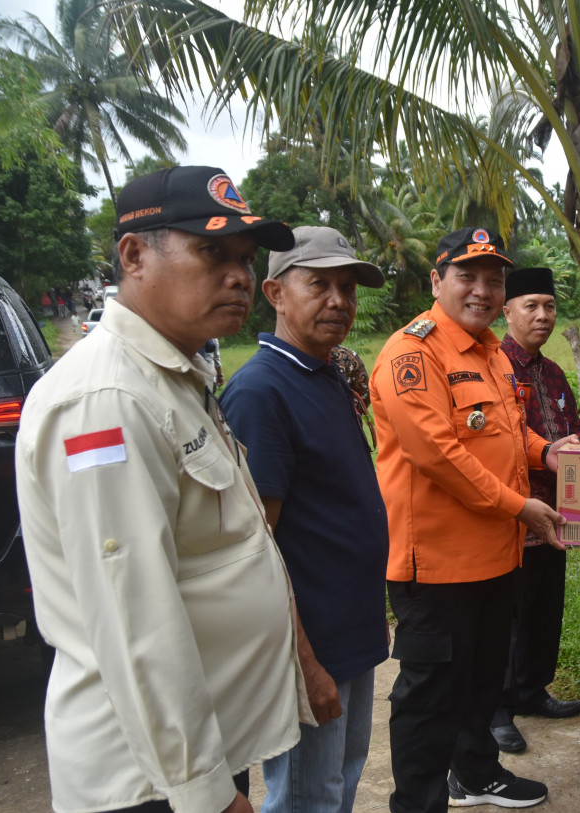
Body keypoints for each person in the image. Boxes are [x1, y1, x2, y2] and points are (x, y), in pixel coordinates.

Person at [14, 165, 307, 813]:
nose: (239, 275)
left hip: (196, 749)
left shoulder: (177, 370)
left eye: (244, 257)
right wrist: (206, 793)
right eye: (211, 252)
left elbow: (231, 541)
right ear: (134, 255)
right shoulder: (108, 398)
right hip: (150, 779)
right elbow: (134, 617)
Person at [371, 227, 577, 813]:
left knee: (483, 681)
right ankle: (418, 803)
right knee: (430, 694)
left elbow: (505, 427)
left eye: (493, 279)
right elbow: (438, 454)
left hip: (495, 555)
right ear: (437, 281)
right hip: (435, 565)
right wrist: (522, 509)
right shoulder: (412, 353)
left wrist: (545, 452)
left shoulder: (488, 349)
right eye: (468, 276)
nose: (483, 290)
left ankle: (477, 775)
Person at [220, 226, 391, 813]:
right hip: (312, 645)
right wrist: (305, 665)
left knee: (337, 787)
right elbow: (253, 550)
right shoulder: (261, 392)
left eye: (347, 286)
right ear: (275, 292)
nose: (338, 300)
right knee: (305, 799)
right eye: (318, 284)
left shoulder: (324, 374)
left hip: (352, 633)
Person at [491, 266, 580, 754]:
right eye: (531, 305)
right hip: (509, 514)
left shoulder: (551, 373)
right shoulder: (494, 366)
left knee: (545, 607)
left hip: (557, 513)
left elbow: (575, 430)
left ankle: (531, 690)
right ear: (506, 311)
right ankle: (497, 708)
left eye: (549, 306)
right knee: (506, 613)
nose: (543, 315)